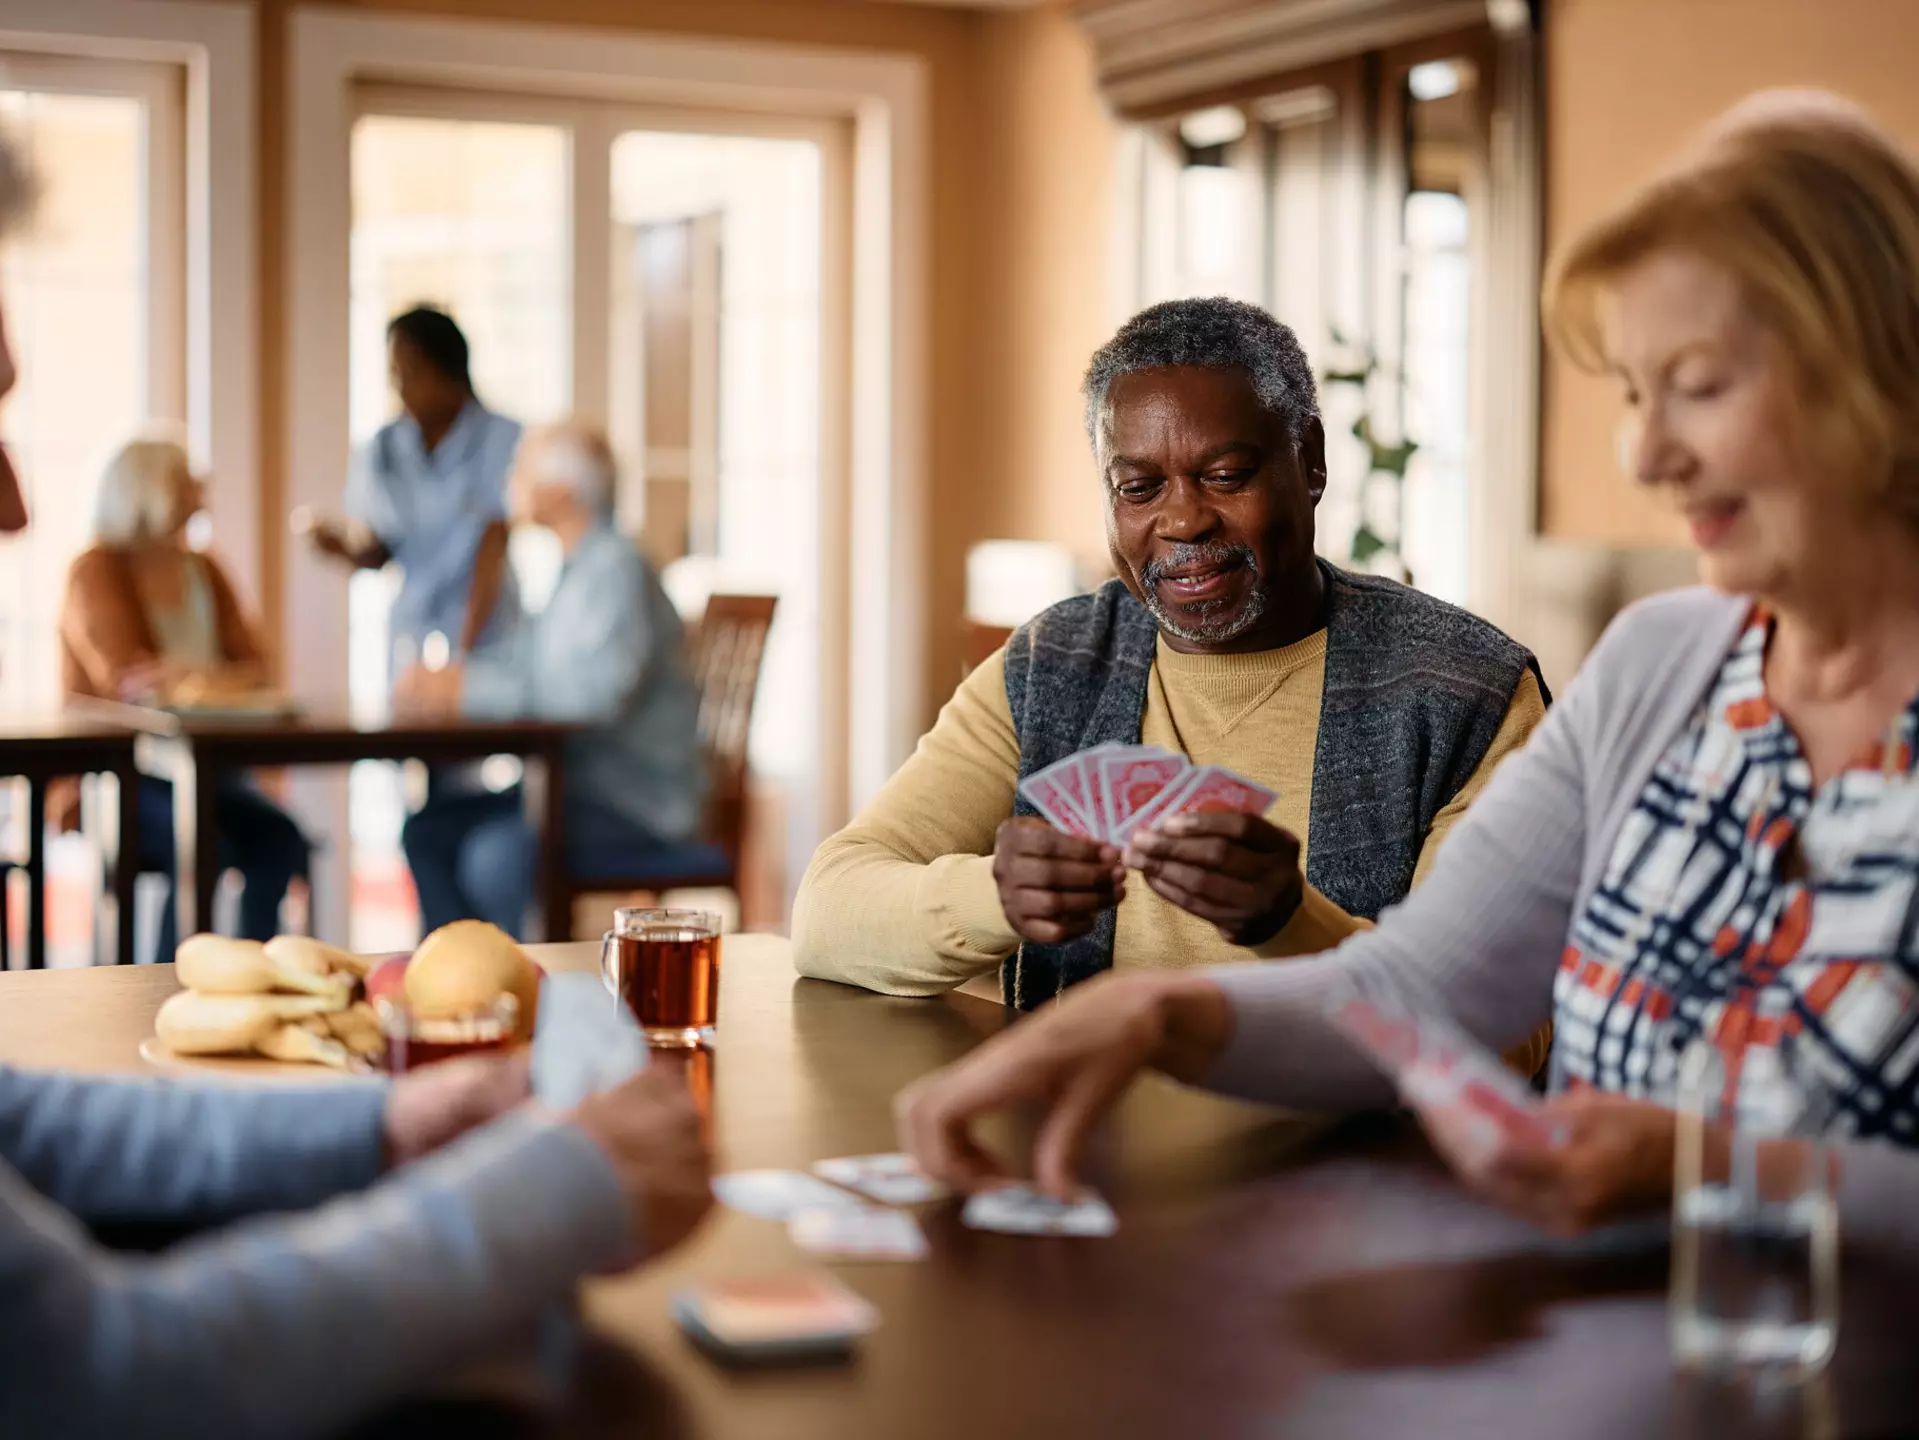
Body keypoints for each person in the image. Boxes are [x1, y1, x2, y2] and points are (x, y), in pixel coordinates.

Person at [893, 92, 1919, 1249]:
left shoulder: (1468, 680)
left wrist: (1715, 1170)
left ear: (1872, 370)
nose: (1643, 451)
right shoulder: (1660, 664)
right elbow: (1416, 987)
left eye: (1697, 384)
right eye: (1632, 393)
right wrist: (1148, 1016)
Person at [0, 129, 715, 1440]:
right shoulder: (374, 476)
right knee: (452, 828)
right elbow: (99, 1374)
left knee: (429, 832)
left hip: (599, 785)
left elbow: (14, 1125)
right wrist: (558, 1188)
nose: (14, 501)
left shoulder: (564, 543)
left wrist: (383, 1128)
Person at [794, 297, 1549, 1016]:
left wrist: (1290, 921)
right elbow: (827, 913)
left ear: (1309, 462)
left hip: (1328, 1140)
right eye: (1138, 487)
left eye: (1225, 476)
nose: (1182, 519)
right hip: (1077, 1128)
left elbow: (1497, 1022)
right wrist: (994, 897)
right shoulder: (1051, 666)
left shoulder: (1468, 693)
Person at [394, 423, 705, 937]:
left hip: (634, 803)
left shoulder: (615, 571)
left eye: (523, 469)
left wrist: (465, 690)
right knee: (428, 831)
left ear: (561, 492)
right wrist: (453, 679)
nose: (511, 480)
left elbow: (591, 698)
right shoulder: (575, 571)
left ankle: (517, 993)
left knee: (493, 855)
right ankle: (454, 993)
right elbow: (530, 670)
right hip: (573, 789)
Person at [59, 437, 312, 956]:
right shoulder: (97, 569)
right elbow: (126, 680)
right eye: (186, 478)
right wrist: (215, 678)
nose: (201, 489)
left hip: (204, 771)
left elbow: (259, 669)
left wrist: (189, 676)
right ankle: (162, 993)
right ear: (149, 487)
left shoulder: (204, 568)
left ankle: (251, 978)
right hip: (120, 778)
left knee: (279, 838)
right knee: (204, 845)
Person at [298, 305, 520, 675]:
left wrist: (460, 663)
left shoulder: (501, 439)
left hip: (486, 637)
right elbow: (379, 552)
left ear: (448, 371)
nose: (400, 384)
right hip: (412, 637)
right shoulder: (382, 449)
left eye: (411, 371)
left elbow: (491, 547)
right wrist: (338, 546)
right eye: (395, 372)